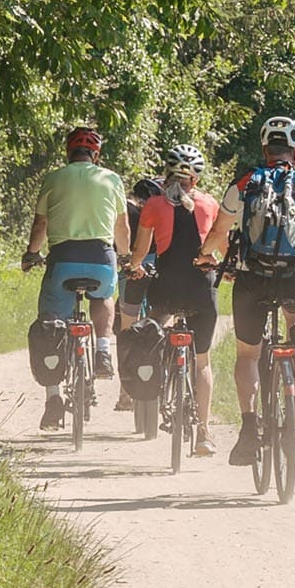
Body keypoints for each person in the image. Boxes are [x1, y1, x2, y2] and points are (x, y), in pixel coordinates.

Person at [201, 115, 295, 466]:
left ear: (264, 148)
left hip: (251, 279)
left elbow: (218, 231)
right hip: (294, 279)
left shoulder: (245, 184)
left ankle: (248, 427)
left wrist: (204, 256)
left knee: (248, 356)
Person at [20, 124, 131, 432]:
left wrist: (31, 253)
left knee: (50, 319)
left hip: (63, 259)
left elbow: (40, 225)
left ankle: (54, 400)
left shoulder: (53, 178)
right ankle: (103, 353)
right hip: (100, 258)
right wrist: (125, 258)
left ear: (69, 153)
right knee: (103, 297)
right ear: (95, 155)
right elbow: (122, 229)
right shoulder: (111, 179)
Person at [125, 144, 224, 454]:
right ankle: (204, 433)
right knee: (202, 362)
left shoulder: (153, 206)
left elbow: (141, 252)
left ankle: (153, 380)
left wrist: (134, 267)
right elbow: (219, 248)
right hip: (201, 292)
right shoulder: (210, 204)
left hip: (166, 290)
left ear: (166, 174)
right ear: (195, 179)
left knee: (154, 328)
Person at [114, 169, 163, 412]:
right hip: (159, 272)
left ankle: (125, 394)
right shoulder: (163, 212)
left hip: (132, 271)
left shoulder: (128, 210)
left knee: (126, 330)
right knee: (163, 324)